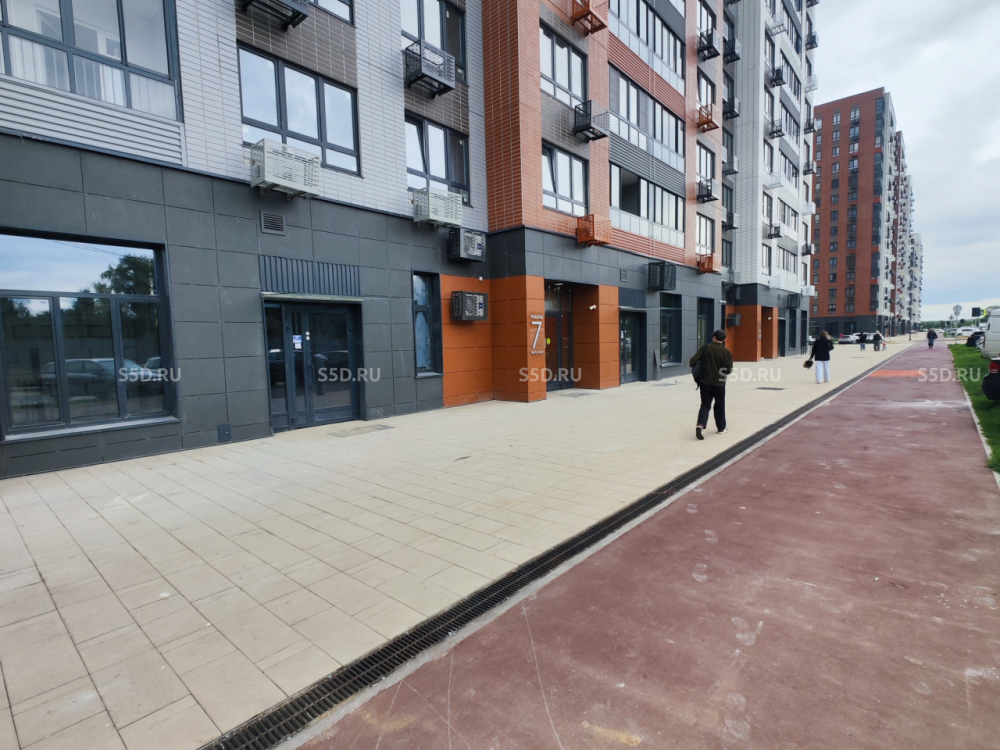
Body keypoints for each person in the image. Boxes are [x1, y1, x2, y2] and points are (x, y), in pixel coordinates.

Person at [690, 330, 734, 440]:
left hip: (705, 383)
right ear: (724, 339)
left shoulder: (705, 348)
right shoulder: (726, 352)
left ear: (714, 337)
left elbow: (692, 361)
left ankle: (700, 425)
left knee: (705, 405)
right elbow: (728, 370)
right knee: (720, 405)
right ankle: (721, 428)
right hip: (719, 384)